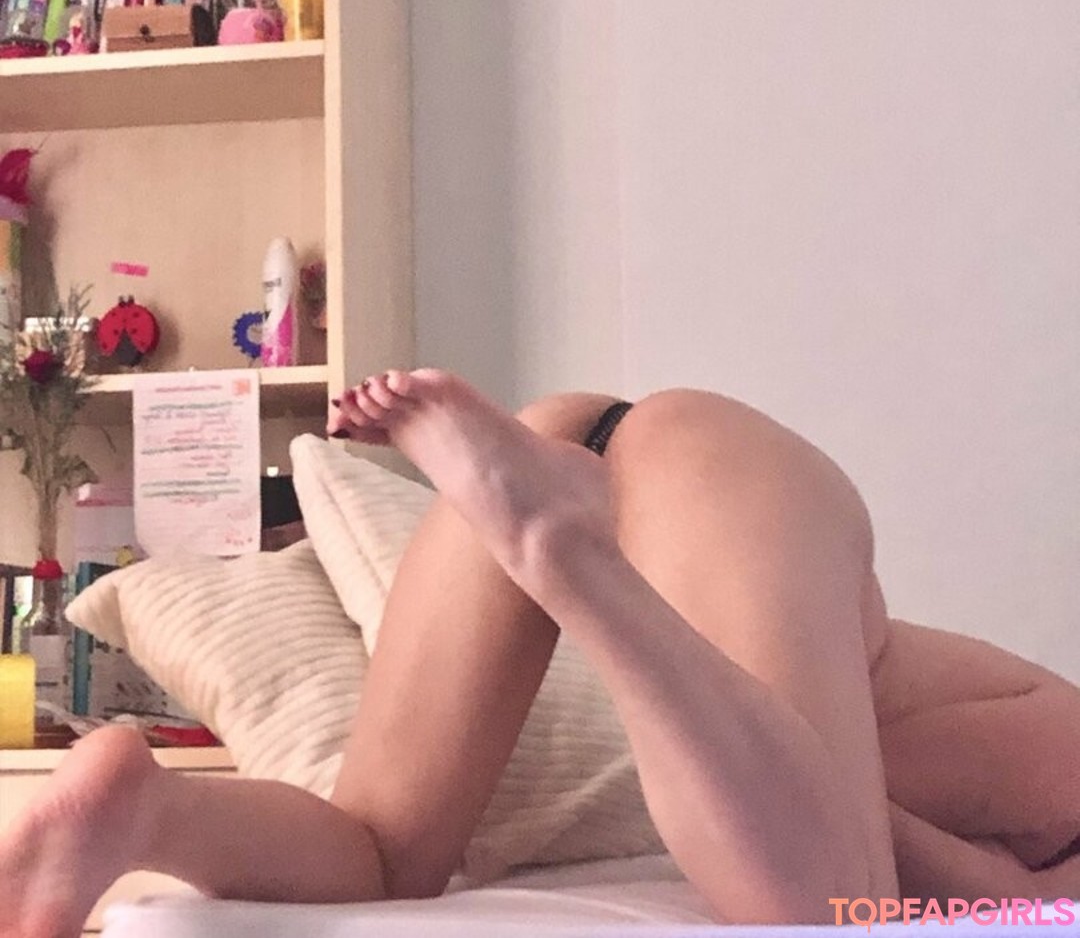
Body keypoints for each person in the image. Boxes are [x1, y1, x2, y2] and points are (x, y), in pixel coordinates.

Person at [1, 370, 1078, 937]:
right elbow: (898, 888)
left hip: (617, 461)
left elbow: (915, 844)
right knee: (822, 907)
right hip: (715, 474)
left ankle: (143, 809)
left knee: (381, 855)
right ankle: (569, 558)